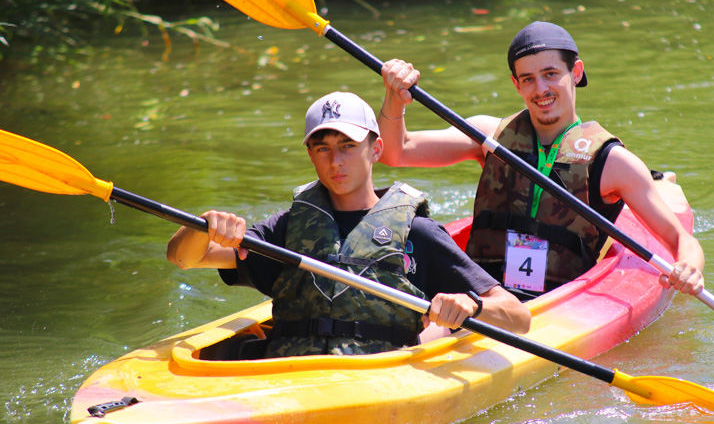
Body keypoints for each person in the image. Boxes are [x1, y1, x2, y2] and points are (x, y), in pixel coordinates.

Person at [167, 91, 531, 358]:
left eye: (347, 146)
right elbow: (184, 258)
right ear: (310, 155)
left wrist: (470, 306)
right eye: (322, 148)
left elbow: (518, 316)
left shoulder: (416, 233)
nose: (335, 161)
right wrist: (203, 227)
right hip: (288, 375)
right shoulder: (288, 229)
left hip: (375, 378)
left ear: (375, 149)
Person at [375, 21, 706, 299]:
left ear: (575, 72)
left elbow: (681, 240)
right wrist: (395, 97)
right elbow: (396, 152)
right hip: (481, 295)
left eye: (551, 74)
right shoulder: (489, 136)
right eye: (528, 79)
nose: (541, 89)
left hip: (553, 303)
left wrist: (690, 267)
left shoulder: (612, 162)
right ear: (516, 84)